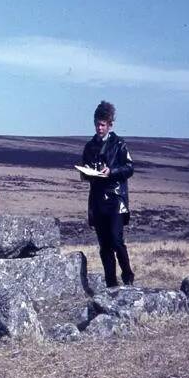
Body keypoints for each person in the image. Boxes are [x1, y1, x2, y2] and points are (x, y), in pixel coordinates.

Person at [81, 100, 135, 287]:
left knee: (116, 240)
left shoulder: (119, 144)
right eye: (97, 124)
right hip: (97, 200)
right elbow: (84, 171)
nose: (99, 128)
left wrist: (111, 171)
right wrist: (87, 173)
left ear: (110, 124)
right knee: (104, 245)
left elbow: (129, 168)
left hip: (115, 199)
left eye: (102, 124)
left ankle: (128, 276)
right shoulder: (89, 146)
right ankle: (111, 284)